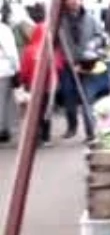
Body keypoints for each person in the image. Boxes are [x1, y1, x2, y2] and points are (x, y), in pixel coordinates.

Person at [57, 0, 104, 140]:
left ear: (81, 0)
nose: (73, 2)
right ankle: (72, 125)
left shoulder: (90, 18)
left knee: (87, 98)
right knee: (68, 95)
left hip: (87, 64)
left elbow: (100, 36)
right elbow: (52, 39)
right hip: (68, 64)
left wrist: (93, 44)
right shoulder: (59, 20)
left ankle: (90, 131)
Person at [19, 22, 64, 145]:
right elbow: (59, 67)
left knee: (34, 112)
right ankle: (45, 137)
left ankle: (35, 137)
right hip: (49, 87)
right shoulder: (52, 50)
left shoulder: (29, 50)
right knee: (47, 112)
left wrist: (23, 82)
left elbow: (24, 70)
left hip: (32, 86)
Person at [0, 14, 18, 142]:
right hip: (3, 69)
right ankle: (3, 129)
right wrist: (17, 68)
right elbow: (11, 52)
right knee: (4, 101)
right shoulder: (4, 30)